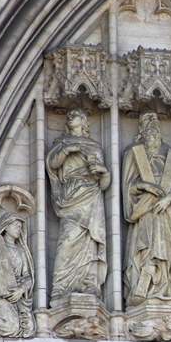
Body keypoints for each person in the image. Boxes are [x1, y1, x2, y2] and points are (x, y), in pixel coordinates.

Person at [122, 111, 171, 306]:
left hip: (165, 211)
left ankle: (165, 288)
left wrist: (168, 199)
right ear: (141, 132)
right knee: (146, 246)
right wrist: (145, 186)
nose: (153, 130)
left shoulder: (169, 154)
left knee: (167, 249)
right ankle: (144, 288)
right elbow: (128, 186)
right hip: (145, 209)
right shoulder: (134, 153)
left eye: (156, 129)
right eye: (148, 127)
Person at [46, 108, 110, 299]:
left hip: (91, 194)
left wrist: (103, 172)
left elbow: (105, 184)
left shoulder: (94, 146)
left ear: (84, 121)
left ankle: (89, 282)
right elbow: (52, 165)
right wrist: (66, 150)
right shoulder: (61, 143)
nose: (70, 117)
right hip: (71, 194)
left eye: (75, 114)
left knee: (90, 239)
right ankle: (61, 284)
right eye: (69, 115)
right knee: (67, 238)